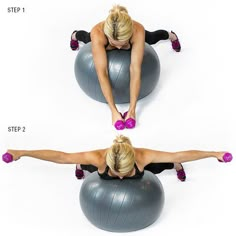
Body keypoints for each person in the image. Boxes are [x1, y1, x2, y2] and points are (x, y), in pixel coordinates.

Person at [70, 5, 181, 130]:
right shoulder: (98, 33)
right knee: (86, 37)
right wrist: (113, 111)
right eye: (114, 44)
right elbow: (102, 73)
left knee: (152, 37)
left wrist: (132, 110)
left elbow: (135, 70)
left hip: (137, 33)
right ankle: (74, 35)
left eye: (122, 44)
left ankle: (172, 36)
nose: (118, 49)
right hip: (98, 35)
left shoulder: (137, 30)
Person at [5, 135, 232, 181]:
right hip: (96, 164)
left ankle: (177, 168)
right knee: (86, 164)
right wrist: (23, 152)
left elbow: (180, 152)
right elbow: (60, 156)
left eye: (125, 173)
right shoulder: (99, 158)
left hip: (146, 165)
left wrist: (214, 154)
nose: (121, 179)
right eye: (117, 173)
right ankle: (81, 166)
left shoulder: (142, 157)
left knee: (163, 165)